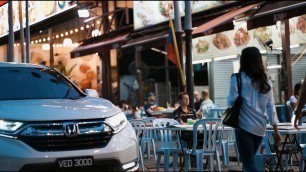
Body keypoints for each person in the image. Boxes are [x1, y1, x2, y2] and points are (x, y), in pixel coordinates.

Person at [227, 47, 281, 171]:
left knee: (248, 164)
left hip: (243, 126)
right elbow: (270, 106)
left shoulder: (237, 78)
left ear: (243, 60)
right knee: (249, 162)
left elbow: (231, 102)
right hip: (260, 129)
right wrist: (276, 130)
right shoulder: (266, 81)